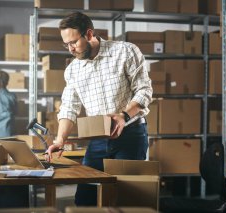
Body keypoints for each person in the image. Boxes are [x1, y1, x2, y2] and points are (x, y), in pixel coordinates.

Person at [45, 11, 153, 206]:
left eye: (73, 42)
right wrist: (60, 139)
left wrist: (123, 116)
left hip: (130, 135)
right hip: (97, 141)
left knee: (126, 200)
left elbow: (144, 91)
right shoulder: (73, 69)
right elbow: (69, 106)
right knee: (85, 200)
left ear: (88, 34)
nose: (70, 49)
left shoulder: (125, 51)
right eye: (66, 44)